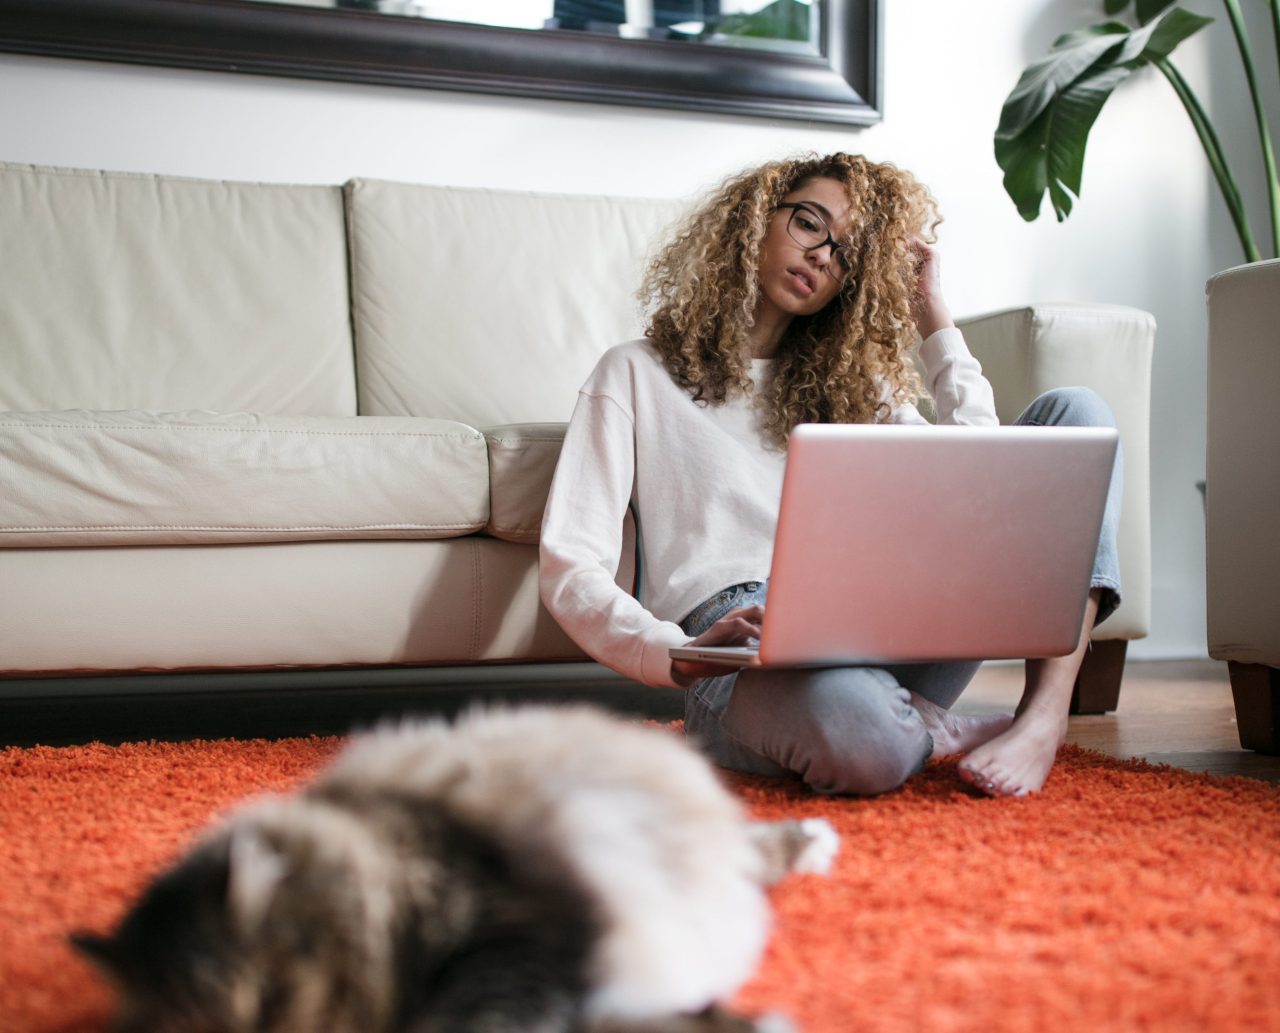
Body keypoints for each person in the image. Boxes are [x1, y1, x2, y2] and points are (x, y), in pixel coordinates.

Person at [538, 152, 1122, 798]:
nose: (821, 255)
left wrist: (935, 320)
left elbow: (980, 488)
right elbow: (572, 566)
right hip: (739, 657)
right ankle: (923, 724)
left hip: (874, 616)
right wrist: (679, 649)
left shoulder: (850, 387)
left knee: (1080, 416)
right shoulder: (633, 374)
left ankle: (1043, 717)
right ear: (755, 218)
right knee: (861, 733)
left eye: (843, 251)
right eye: (810, 224)